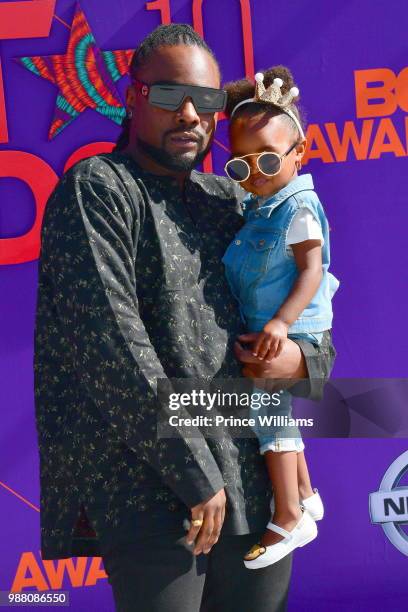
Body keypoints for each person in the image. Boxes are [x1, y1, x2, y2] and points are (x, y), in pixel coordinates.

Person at [34, 25, 335, 612]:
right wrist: (196, 474)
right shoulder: (98, 189)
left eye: (209, 100)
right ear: (133, 97)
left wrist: (303, 361)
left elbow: (309, 315)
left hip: (256, 483)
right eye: (171, 96)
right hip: (153, 489)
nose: (192, 114)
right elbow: (109, 347)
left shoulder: (232, 201)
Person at [221, 65, 339, 569]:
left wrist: (280, 324)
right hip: (275, 334)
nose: (257, 173)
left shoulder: (300, 207)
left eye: (268, 158)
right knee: (272, 411)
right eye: (241, 166)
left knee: (268, 414)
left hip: (301, 336)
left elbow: (311, 271)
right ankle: (307, 494)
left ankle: (289, 516)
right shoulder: (257, 207)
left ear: (299, 153)